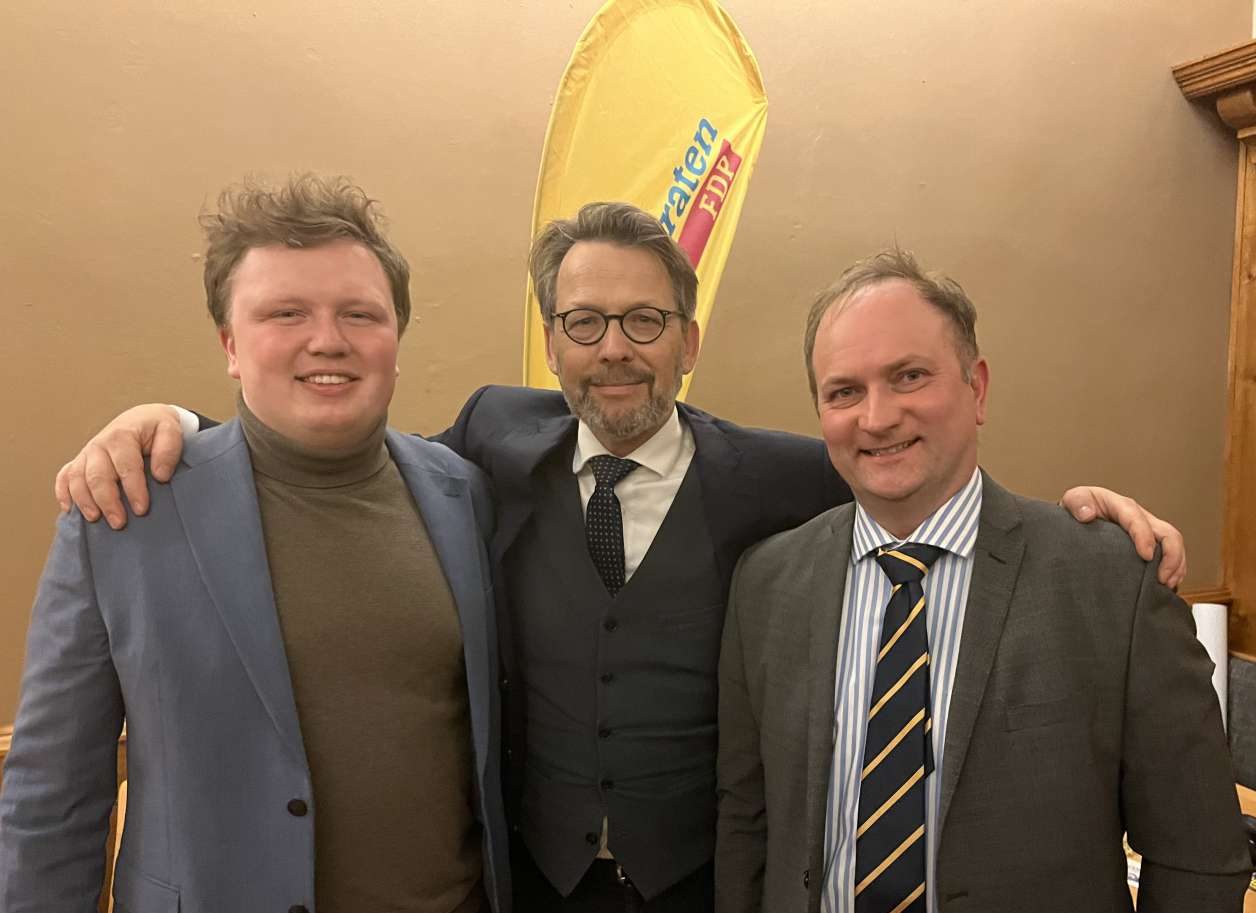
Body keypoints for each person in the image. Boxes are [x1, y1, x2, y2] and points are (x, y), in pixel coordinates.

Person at [52, 203, 1186, 913]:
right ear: (550, 340)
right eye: (583, 322)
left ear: (688, 340)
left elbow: (911, 476)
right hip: (530, 884)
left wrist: (1087, 517)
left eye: (644, 321)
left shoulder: (783, 474)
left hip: (698, 884)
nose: (614, 351)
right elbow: (325, 458)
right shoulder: (485, 447)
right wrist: (176, 424)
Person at [0, 175, 508, 913]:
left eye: (360, 313)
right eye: (285, 313)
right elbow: (52, 793)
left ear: (396, 340)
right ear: (231, 345)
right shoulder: (123, 511)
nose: (327, 339)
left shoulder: (466, 496)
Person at [714, 248, 1250, 913]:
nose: (876, 417)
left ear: (978, 389)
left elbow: (1199, 854)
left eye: (910, 376)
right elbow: (745, 820)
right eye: (844, 391)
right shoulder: (766, 585)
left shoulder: (1110, 581)